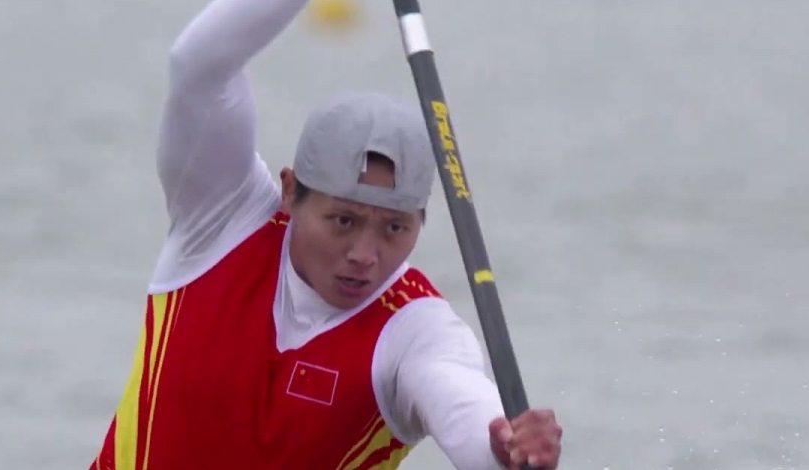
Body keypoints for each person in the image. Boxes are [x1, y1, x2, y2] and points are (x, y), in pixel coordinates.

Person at [88, 0, 563, 469]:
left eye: (394, 228)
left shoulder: (416, 331)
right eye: (344, 221)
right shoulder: (221, 221)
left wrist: (506, 448)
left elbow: (466, 410)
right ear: (291, 191)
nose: (365, 255)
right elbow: (198, 65)